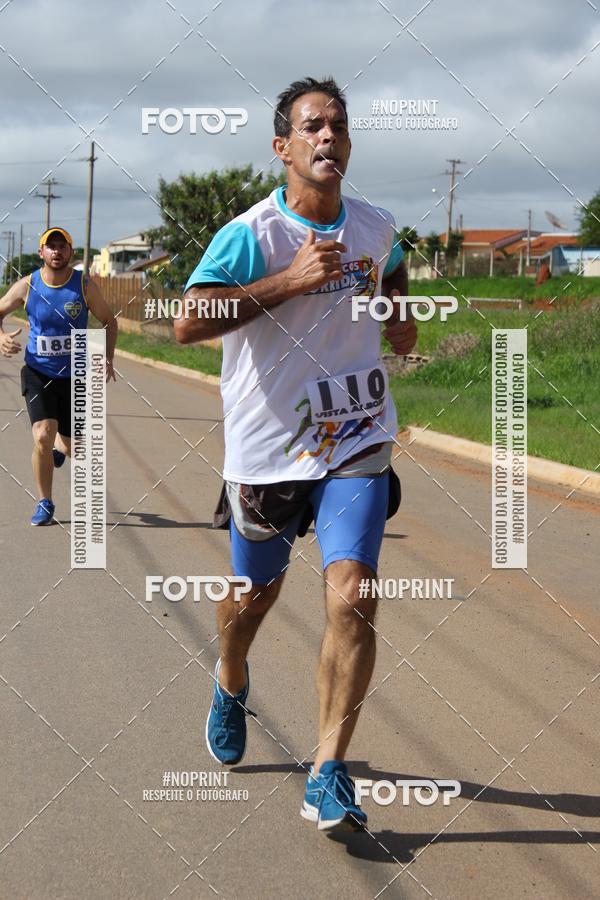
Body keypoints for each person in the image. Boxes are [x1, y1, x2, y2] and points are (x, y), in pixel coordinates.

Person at [176, 77, 416, 832]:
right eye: (312, 126)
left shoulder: (376, 226)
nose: (328, 137)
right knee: (252, 601)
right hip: (267, 453)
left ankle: (327, 770)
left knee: (354, 595)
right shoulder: (251, 235)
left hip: (359, 439)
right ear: (283, 147)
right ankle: (231, 676)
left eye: (338, 126)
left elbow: (396, 273)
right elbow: (187, 322)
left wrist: (402, 318)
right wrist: (286, 281)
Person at [0, 227, 117, 525]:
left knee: (72, 446)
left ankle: (59, 450)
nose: (56, 251)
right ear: (41, 253)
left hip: (75, 376)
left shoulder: (84, 285)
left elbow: (108, 320)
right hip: (37, 371)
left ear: (70, 252)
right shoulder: (28, 285)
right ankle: (45, 502)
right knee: (42, 434)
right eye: (50, 247)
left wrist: (108, 356)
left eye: (61, 246)